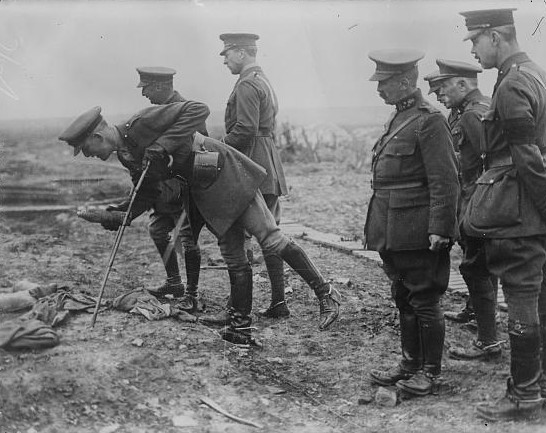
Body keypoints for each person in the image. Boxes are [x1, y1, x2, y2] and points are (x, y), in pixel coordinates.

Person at [58, 101, 340, 346]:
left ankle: (326, 294)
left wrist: (162, 144)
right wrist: (111, 215)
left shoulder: (142, 122)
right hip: (203, 187)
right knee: (232, 254)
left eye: (87, 149)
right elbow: (146, 192)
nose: (90, 155)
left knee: (270, 238)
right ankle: (240, 326)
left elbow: (198, 110)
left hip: (224, 171)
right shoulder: (126, 154)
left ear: (97, 135)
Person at [460, 8, 546, 421]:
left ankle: (523, 396)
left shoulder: (512, 85)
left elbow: (528, 157)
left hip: (519, 214)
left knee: (521, 300)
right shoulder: (542, 77)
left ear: (495, 37)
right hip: (543, 214)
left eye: (476, 41)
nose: (474, 50)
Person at [365, 49, 460, 397]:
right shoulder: (398, 118)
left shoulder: (430, 121)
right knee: (403, 295)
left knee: (424, 298)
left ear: (405, 81)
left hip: (418, 227)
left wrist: (441, 227)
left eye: (384, 83)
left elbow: (445, 180)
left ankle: (430, 372)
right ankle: (409, 365)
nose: (379, 89)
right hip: (392, 226)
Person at [430, 59, 501, 361]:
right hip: (468, 198)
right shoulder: (461, 111)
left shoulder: (475, 114)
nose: (438, 94)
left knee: (475, 265)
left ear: (462, 84)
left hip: (478, 200)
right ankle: (476, 312)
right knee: (477, 261)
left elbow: (492, 162)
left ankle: (488, 341)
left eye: (443, 87)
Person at [216, 33, 290, 320]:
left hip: (253, 163)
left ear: (241, 53)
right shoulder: (262, 79)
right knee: (270, 234)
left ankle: (238, 307)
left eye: (227, 53)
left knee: (241, 233)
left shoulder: (247, 84)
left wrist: (221, 148)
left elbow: (245, 130)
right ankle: (278, 301)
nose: (224, 59)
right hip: (268, 161)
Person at [121, 66, 204, 314]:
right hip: (162, 190)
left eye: (146, 88)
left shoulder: (185, 109)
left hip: (185, 188)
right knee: (157, 230)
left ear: (159, 86)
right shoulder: (155, 112)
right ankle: (174, 283)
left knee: (188, 240)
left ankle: (191, 294)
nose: (144, 94)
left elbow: (200, 146)